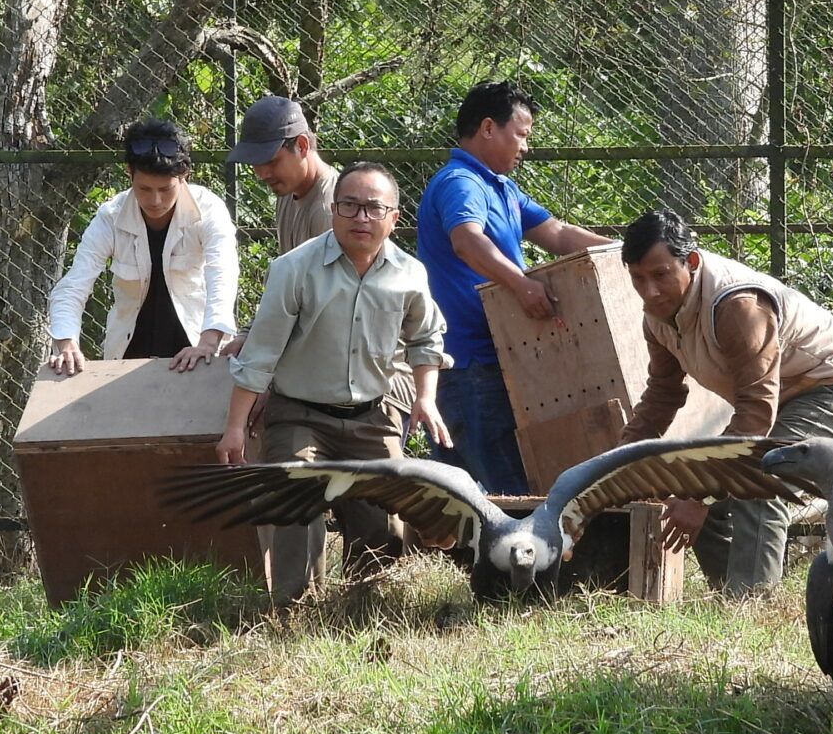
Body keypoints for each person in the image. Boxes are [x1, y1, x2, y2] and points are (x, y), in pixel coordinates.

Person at [219, 164, 453, 604]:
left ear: (393, 218)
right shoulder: (294, 269)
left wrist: (426, 398)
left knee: (383, 525)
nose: (360, 218)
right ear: (333, 210)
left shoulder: (409, 274)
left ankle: (366, 609)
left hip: (372, 416)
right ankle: (292, 613)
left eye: (373, 208)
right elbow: (259, 355)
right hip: (299, 414)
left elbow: (426, 340)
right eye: (350, 206)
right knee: (296, 500)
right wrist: (234, 427)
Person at [616, 207, 833, 597]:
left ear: (690, 261)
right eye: (638, 279)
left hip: (831, 386)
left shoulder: (739, 306)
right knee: (697, 481)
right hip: (773, 399)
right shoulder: (657, 315)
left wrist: (698, 493)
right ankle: (730, 594)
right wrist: (618, 465)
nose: (649, 291)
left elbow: (756, 413)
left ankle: (752, 602)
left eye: (660, 275)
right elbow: (663, 394)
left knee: (763, 476)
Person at [412, 80, 608, 493]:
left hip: (498, 358)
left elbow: (556, 233)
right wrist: (520, 285)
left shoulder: (501, 187)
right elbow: (466, 239)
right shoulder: (460, 182)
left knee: (471, 493)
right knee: (505, 492)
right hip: (470, 364)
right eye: (520, 135)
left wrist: (629, 254)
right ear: (488, 128)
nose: (525, 147)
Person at [45, 118, 239, 376]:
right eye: (144, 189)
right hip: (127, 357)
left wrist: (208, 342)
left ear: (184, 177)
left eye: (165, 189)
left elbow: (222, 274)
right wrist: (66, 344)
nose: (155, 200)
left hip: (197, 352)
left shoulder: (209, 209)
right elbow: (74, 285)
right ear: (129, 173)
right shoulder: (110, 216)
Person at [227, 94, 338, 255]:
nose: (263, 174)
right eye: (255, 162)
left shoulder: (329, 210)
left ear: (301, 145)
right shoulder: (288, 189)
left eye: (271, 161)